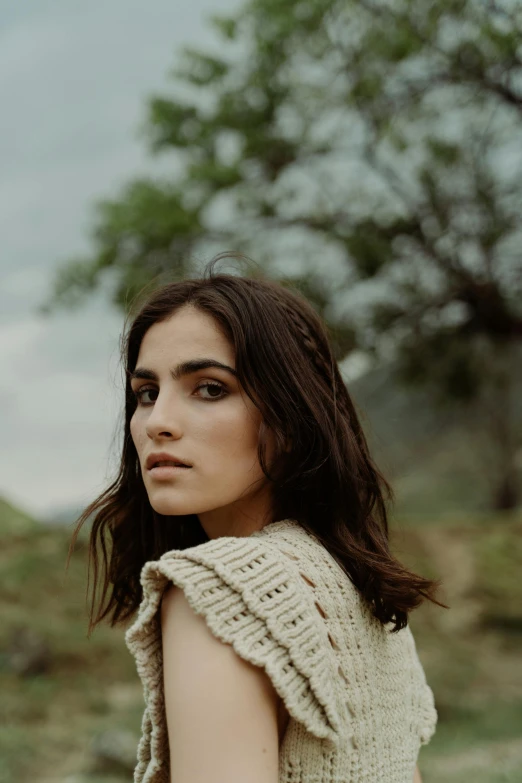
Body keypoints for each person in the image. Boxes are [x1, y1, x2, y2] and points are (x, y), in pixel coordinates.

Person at [71, 253, 443, 783]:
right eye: (147, 393)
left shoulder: (222, 590)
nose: (158, 422)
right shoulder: (352, 583)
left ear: (291, 418)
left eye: (210, 388)